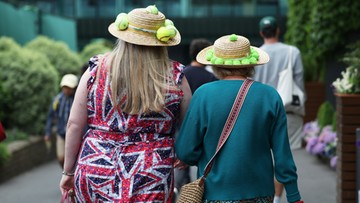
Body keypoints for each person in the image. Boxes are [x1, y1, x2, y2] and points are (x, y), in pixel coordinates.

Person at [59, 6, 192, 202]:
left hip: (97, 168)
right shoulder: (176, 76)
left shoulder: (96, 70)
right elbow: (189, 123)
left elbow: (74, 124)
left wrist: (68, 172)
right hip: (151, 171)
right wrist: (185, 153)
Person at [175, 34, 303, 203]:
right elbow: (283, 155)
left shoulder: (203, 94)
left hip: (215, 192)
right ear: (250, 63)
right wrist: (293, 195)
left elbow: (186, 151)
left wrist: (192, 156)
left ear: (216, 64)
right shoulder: (270, 95)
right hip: (260, 192)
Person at [253, 16, 306, 203]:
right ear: (278, 30)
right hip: (287, 110)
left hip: (259, 112)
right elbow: (298, 84)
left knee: (259, 155)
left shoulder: (256, 54)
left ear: (261, 33)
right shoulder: (293, 52)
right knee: (282, 156)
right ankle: (276, 199)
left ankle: (262, 196)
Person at [174, 38, 218, 195]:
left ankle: (180, 191)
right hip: (204, 127)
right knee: (203, 162)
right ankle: (201, 191)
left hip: (180, 125)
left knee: (180, 163)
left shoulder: (180, 74)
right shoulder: (211, 78)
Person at [44, 74, 78, 168]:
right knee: (61, 157)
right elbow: (51, 116)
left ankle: (72, 175)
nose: (67, 90)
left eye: (69, 87)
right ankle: (67, 173)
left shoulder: (78, 99)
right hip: (61, 133)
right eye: (65, 87)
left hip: (76, 134)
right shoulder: (57, 100)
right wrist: (48, 132)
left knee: (75, 158)